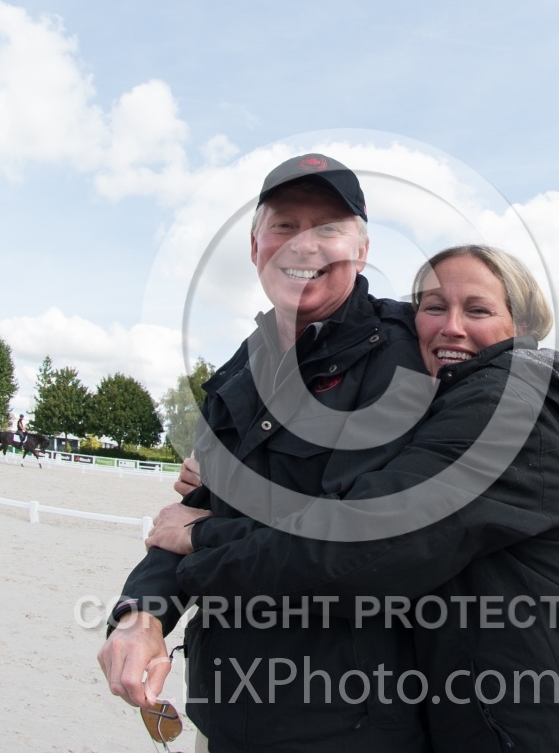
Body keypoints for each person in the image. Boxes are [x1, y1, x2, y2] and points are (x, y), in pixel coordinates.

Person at [152, 245, 559, 751]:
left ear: (519, 325)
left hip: (545, 728)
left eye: (478, 310)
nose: (451, 327)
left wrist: (201, 538)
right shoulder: (446, 409)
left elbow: (363, 542)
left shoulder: (502, 408)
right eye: (433, 307)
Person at [98, 154, 433, 753]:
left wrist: (202, 535)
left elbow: (362, 542)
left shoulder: (410, 352)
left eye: (328, 228)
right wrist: (142, 616)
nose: (303, 244)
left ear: (362, 251)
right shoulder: (240, 367)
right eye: (284, 225)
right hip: (225, 714)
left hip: (351, 725)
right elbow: (190, 513)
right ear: (256, 247)